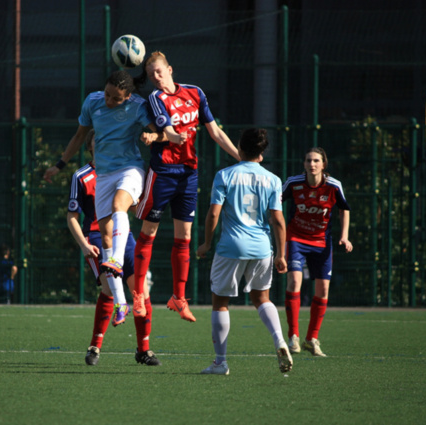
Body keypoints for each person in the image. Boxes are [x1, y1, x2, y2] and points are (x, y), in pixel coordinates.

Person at [44, 70, 175, 327]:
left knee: (119, 207)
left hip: (130, 169)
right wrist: (59, 165)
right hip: (103, 175)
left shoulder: (138, 107)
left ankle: (115, 259)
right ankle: (120, 303)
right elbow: (79, 136)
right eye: (107, 94)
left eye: (116, 98)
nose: (109, 101)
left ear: (127, 97)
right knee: (105, 237)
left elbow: (163, 134)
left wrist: (153, 135)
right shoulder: (93, 102)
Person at [134, 51, 240, 322]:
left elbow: (214, 131)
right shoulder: (156, 99)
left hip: (188, 175)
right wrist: (173, 135)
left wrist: (241, 157)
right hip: (162, 174)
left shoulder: (195, 93)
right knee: (149, 233)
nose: (155, 78)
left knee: (184, 238)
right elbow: (167, 131)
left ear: (170, 69)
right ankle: (137, 295)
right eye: (150, 76)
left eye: (158, 72)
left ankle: (178, 298)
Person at [196, 128, 293, 375]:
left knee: (220, 302)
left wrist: (207, 243)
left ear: (239, 147)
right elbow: (279, 221)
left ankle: (220, 363)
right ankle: (280, 340)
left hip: (231, 246)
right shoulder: (273, 179)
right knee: (262, 298)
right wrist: (281, 254)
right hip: (262, 247)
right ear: (261, 153)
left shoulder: (225, 175)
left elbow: (214, 214)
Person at [67, 130, 160, 366]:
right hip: (97, 238)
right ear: (91, 147)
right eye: (100, 141)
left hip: (123, 237)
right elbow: (72, 217)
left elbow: (131, 208)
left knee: (140, 291)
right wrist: (84, 244)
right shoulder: (82, 176)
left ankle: (144, 350)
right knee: (109, 289)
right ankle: (95, 347)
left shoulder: (123, 172)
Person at [282, 147, 352, 357]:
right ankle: (293, 337)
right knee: (294, 282)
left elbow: (344, 209)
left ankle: (311, 339)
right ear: (304, 164)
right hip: (296, 239)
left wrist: (345, 236)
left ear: (324, 164)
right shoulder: (293, 183)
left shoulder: (333, 186)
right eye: (308, 161)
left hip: (322, 242)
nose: (312, 164)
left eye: (316, 161)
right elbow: (275, 202)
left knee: (322, 291)